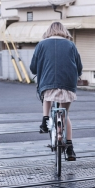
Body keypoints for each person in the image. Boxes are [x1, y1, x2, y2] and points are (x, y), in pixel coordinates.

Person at [29, 21, 82, 161]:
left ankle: (45, 120)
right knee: (65, 114)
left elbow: (33, 67)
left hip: (48, 82)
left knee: (46, 93)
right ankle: (70, 148)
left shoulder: (41, 44)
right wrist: (78, 74)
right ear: (64, 31)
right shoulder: (71, 45)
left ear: (49, 31)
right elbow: (79, 66)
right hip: (68, 82)